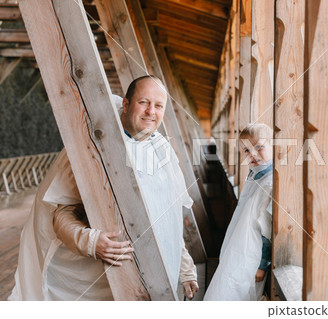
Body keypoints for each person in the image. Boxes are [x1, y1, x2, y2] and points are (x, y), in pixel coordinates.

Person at [8, 75, 199, 301]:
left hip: (150, 283)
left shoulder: (161, 150)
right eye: (144, 102)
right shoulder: (93, 143)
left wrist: (186, 270)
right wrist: (90, 242)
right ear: (126, 104)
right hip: (95, 279)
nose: (151, 112)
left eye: (158, 106)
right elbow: (61, 212)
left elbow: (170, 218)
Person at [203, 123, 273, 301]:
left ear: (273, 146)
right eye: (247, 151)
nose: (253, 155)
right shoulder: (254, 174)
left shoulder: (270, 182)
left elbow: (267, 228)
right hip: (240, 245)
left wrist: (262, 265)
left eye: (259, 147)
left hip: (253, 254)